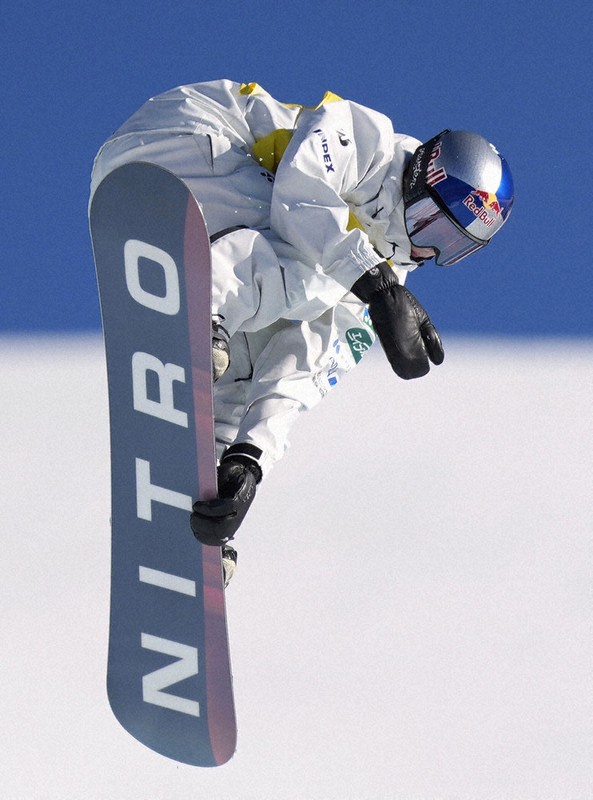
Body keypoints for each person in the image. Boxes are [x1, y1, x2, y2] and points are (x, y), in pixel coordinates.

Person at [90, 79, 514, 575]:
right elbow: (300, 198)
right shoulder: (366, 139)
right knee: (312, 274)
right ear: (422, 175)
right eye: (430, 222)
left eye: (449, 245)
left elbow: (304, 369)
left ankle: (199, 482)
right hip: (179, 141)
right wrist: (377, 287)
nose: (427, 247)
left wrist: (250, 460)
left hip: (202, 213)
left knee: (281, 333)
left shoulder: (376, 279)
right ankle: (202, 312)